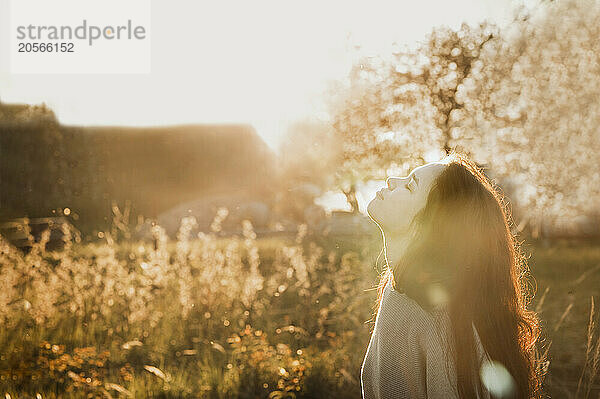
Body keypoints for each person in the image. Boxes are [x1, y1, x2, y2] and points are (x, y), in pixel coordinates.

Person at [360, 152, 544, 399]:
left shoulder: (438, 321)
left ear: (431, 223)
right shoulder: (397, 289)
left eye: (410, 185)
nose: (392, 180)